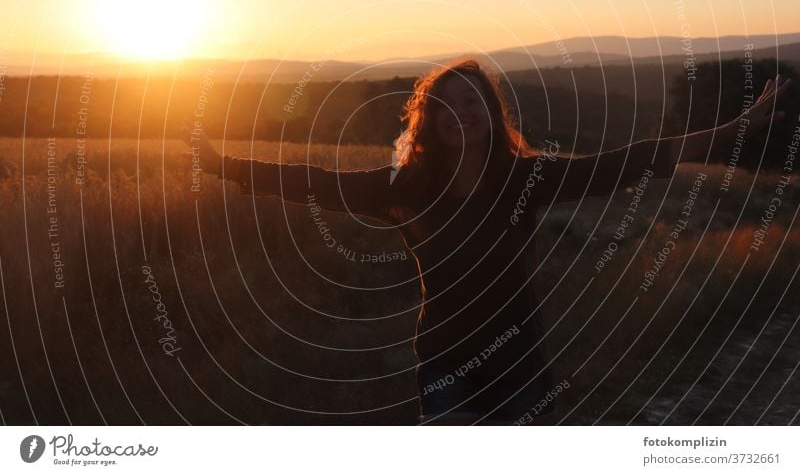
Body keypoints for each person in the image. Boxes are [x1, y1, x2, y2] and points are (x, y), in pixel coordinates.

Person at [181, 59, 792, 425]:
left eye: (471, 102)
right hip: (446, 363)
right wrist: (221, 164)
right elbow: (314, 183)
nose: (460, 113)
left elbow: (625, 162)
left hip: (521, 363)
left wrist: (732, 130)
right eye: (445, 106)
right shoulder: (408, 188)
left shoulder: (525, 179)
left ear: (491, 112)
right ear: (430, 121)